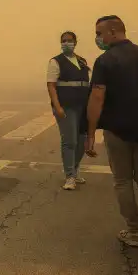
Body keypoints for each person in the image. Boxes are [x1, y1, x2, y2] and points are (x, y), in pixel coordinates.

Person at [86, 16, 138, 255]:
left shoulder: (105, 62)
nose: (98, 39)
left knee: (123, 180)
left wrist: (91, 134)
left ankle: (134, 232)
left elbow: (97, 97)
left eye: (99, 33)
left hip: (118, 130)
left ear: (113, 32)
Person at [46, 31, 91, 190]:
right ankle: (69, 176)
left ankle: (75, 169)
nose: (66, 43)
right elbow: (51, 85)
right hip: (66, 107)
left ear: (75, 42)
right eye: (63, 41)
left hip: (82, 107)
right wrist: (57, 107)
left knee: (81, 141)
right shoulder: (56, 62)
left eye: (69, 40)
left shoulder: (82, 61)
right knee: (70, 141)